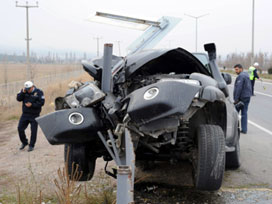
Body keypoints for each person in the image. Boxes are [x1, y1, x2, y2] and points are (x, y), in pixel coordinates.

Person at [16, 81, 45, 151]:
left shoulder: (39, 92)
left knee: (33, 131)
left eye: (29, 89)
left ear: (32, 87)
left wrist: (32, 105)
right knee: (20, 128)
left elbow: (42, 103)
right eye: (26, 89)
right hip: (25, 114)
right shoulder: (24, 91)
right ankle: (24, 142)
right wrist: (22, 92)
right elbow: (18, 99)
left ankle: (31, 145)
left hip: (34, 114)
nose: (28, 90)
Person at [233, 64, 252, 134]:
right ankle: (244, 129)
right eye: (235, 69)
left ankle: (233, 128)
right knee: (244, 113)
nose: (236, 71)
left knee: (234, 113)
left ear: (241, 69)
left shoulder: (241, 76)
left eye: (237, 69)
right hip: (247, 97)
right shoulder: (246, 75)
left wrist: (236, 99)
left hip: (242, 98)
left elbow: (238, 88)